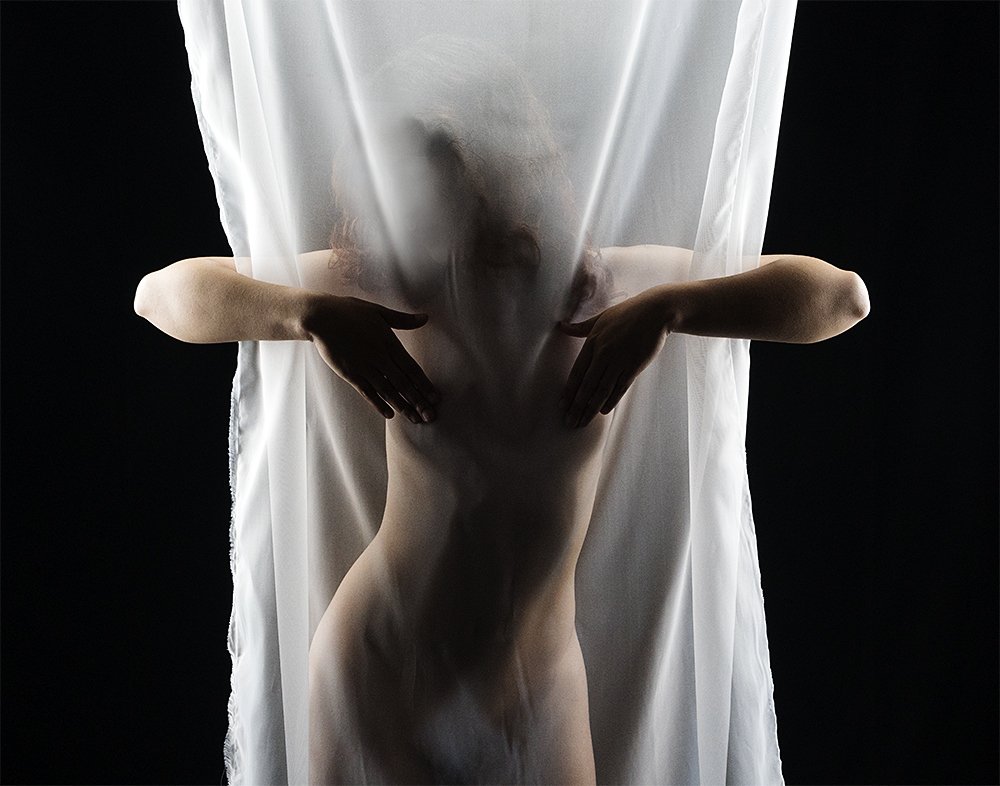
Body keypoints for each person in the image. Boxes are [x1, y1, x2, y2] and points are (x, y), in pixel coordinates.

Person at [135, 37, 869, 786]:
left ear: (493, 176)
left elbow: (842, 299)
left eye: (429, 194)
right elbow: (158, 296)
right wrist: (304, 314)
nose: (406, 226)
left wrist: (672, 308)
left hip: (539, 691)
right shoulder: (386, 289)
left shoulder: (600, 291)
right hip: (385, 673)